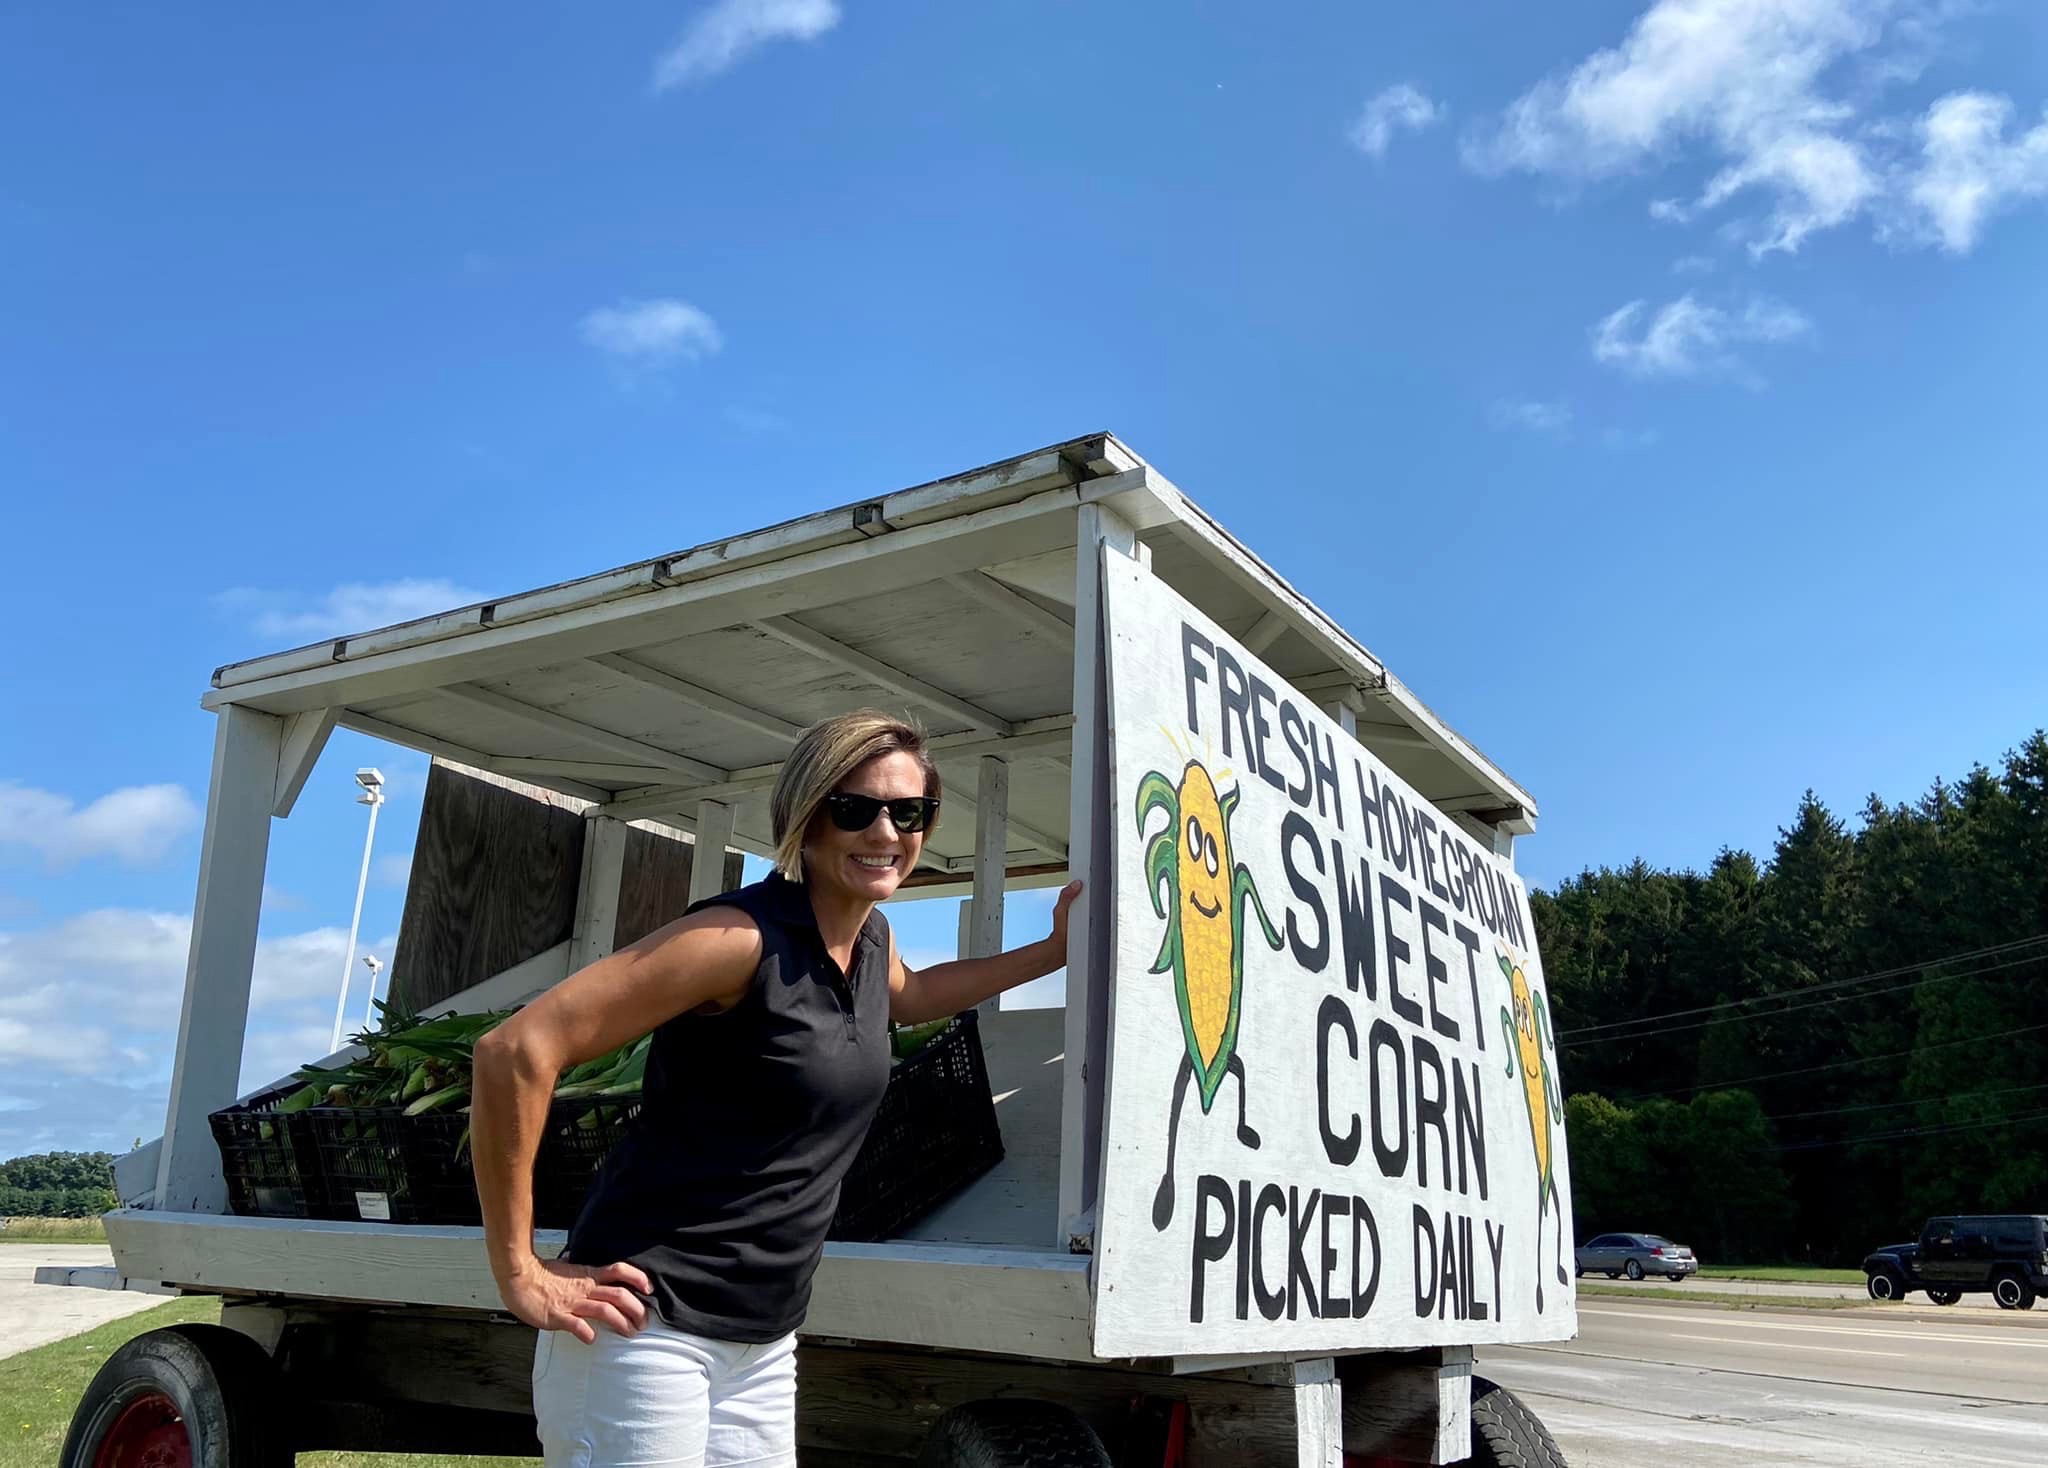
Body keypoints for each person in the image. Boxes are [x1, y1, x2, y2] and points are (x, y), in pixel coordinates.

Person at [470, 708, 1081, 1468]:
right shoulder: (737, 940)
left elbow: (916, 995)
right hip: (644, 1330)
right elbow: (515, 1050)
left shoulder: (868, 943)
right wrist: (519, 1270)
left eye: (909, 812)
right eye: (854, 809)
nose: (885, 833)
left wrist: (1053, 951)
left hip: (759, 1342)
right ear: (805, 816)